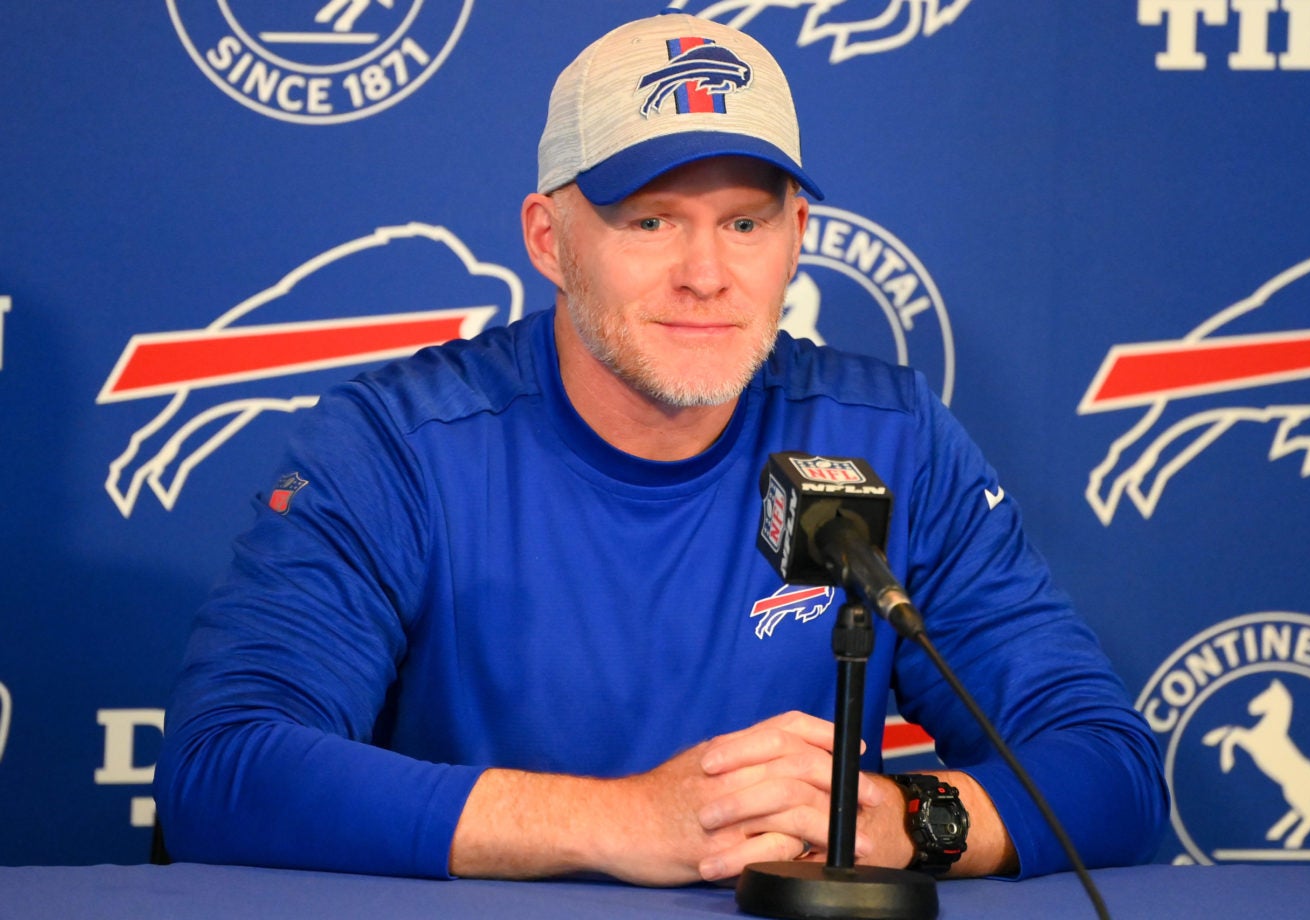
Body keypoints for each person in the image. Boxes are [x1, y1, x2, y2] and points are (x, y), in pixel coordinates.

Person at [152, 12, 1166, 885]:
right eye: (650, 220)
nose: (707, 273)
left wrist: (904, 823)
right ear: (550, 239)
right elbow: (224, 767)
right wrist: (628, 820)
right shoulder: (401, 445)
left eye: (744, 221)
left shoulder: (889, 437)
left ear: (797, 233)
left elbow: (1106, 767)